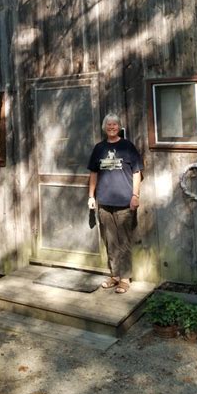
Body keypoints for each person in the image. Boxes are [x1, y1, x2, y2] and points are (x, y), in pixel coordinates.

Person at [87, 113, 143, 294]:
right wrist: (91, 196)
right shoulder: (99, 148)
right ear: (105, 128)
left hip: (125, 203)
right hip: (104, 202)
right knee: (111, 241)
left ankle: (125, 278)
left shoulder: (127, 147)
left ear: (119, 127)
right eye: (108, 125)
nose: (111, 127)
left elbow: (137, 172)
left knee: (124, 241)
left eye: (115, 125)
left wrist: (135, 195)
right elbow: (94, 174)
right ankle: (115, 276)